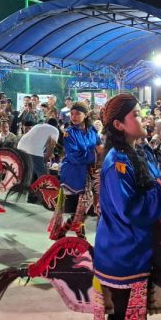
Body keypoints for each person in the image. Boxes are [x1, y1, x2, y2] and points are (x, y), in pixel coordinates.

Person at [92, 93, 161, 320]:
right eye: (137, 115)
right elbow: (131, 210)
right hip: (123, 256)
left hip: (136, 251)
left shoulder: (139, 151)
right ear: (119, 125)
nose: (145, 118)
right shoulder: (117, 161)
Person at [53, 101, 101, 238]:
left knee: (87, 204)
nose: (73, 117)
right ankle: (78, 231)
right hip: (75, 171)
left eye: (77, 114)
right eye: (72, 114)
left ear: (85, 115)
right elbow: (74, 156)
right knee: (85, 201)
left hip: (91, 170)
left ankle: (65, 229)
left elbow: (100, 145)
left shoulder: (92, 131)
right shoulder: (69, 133)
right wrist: (95, 154)